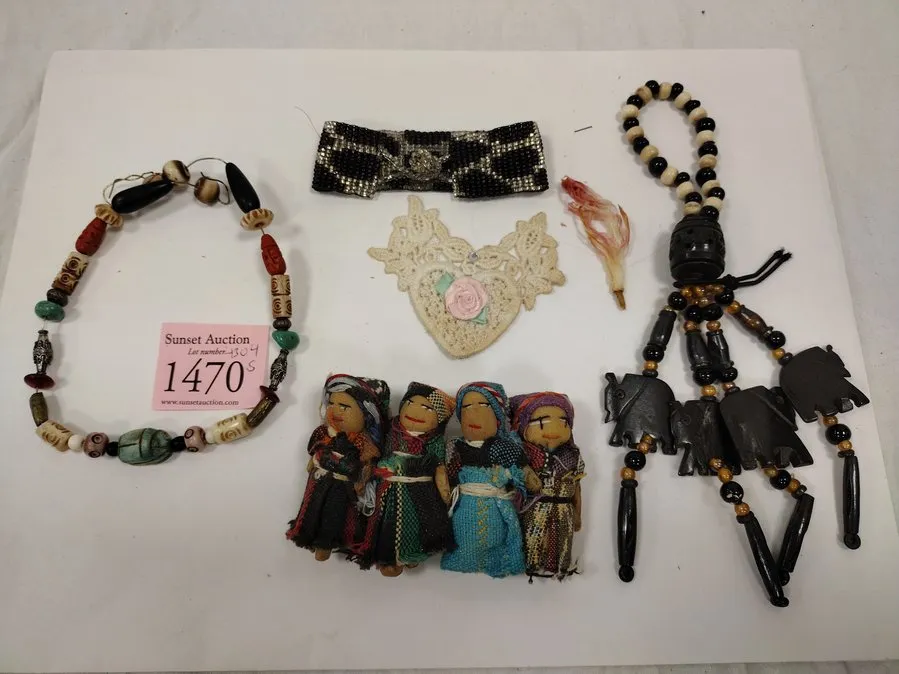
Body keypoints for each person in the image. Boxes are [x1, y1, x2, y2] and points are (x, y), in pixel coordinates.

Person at [285, 374, 390, 563]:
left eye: (345, 406)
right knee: (312, 507)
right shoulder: (324, 434)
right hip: (319, 481)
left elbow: (366, 464)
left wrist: (362, 480)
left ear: (367, 414)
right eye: (331, 403)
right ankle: (307, 533)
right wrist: (314, 461)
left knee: (336, 513)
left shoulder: (363, 442)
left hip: (342, 486)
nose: (334, 410)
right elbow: (315, 450)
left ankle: (327, 543)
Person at [440, 381, 540, 578]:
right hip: (464, 505)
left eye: (484, 406)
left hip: (497, 503)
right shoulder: (454, 447)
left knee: (499, 536)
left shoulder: (505, 447)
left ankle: (496, 560)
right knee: (462, 537)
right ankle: (462, 559)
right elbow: (448, 476)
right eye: (466, 407)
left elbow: (524, 471)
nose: (474, 413)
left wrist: (529, 478)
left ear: (498, 417)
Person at [370, 382, 457, 576]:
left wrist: (444, 492)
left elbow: (439, 467)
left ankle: (413, 554)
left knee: (418, 523)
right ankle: (390, 560)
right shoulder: (391, 432)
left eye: (427, 408)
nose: (415, 410)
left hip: (421, 492)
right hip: (390, 488)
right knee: (387, 523)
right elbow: (380, 453)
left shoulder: (435, 442)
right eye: (409, 403)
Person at [511, 392, 585, 580]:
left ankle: (558, 565)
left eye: (563, 422)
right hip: (535, 509)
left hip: (564, 510)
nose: (554, 428)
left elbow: (577, 487)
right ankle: (531, 564)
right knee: (533, 540)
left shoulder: (573, 456)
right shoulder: (522, 455)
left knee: (562, 541)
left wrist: (578, 513)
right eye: (542, 422)